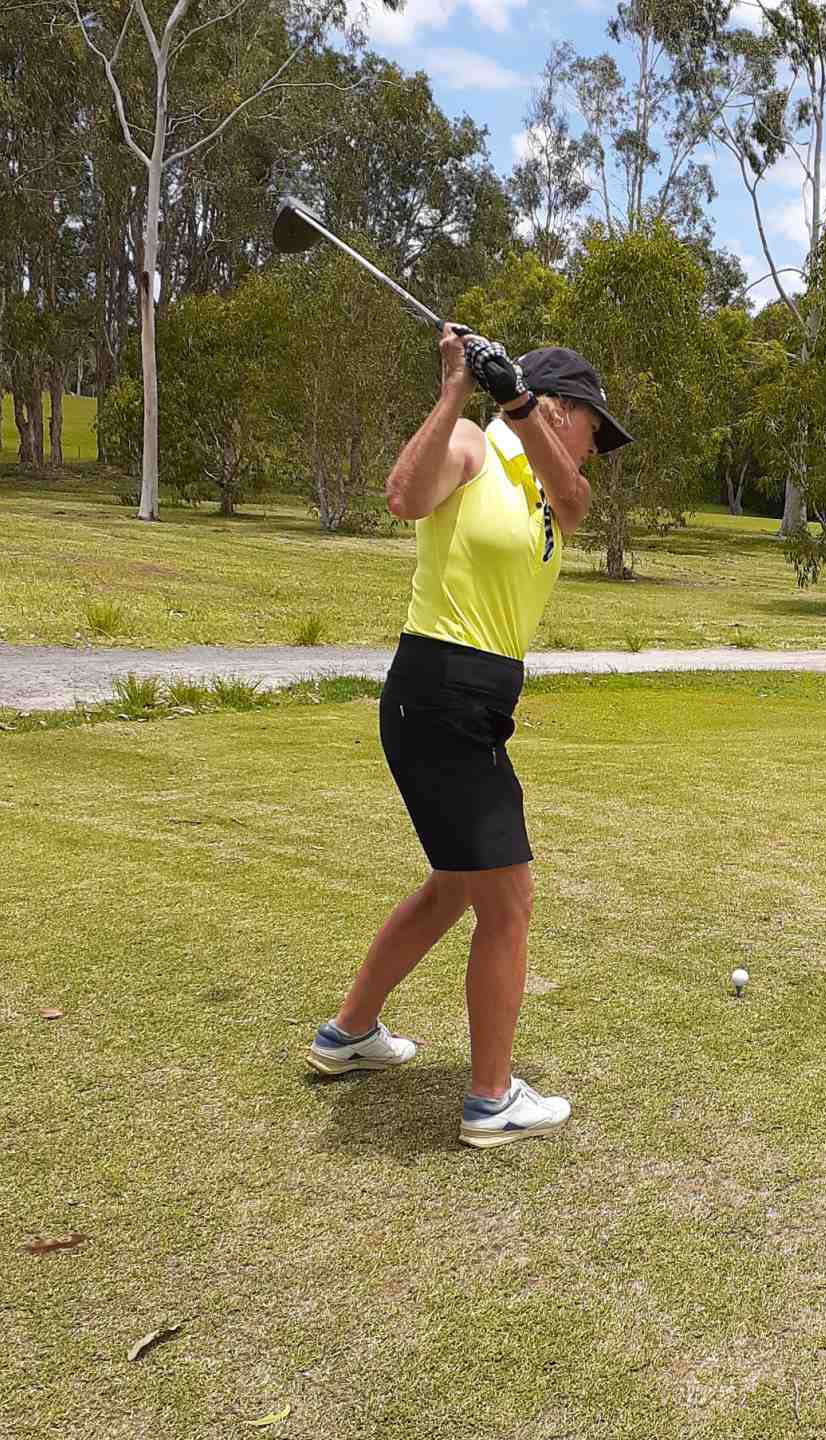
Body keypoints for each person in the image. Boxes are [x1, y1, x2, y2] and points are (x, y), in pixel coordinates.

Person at [306, 326, 634, 1148]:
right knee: (509, 901)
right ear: (565, 410)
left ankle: (347, 1035)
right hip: (438, 691)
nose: (596, 447)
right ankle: (490, 1099)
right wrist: (458, 387)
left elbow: (579, 501)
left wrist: (519, 403)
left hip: (471, 704)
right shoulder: (468, 445)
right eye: (593, 426)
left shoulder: (547, 480)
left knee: (456, 888)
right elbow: (402, 498)